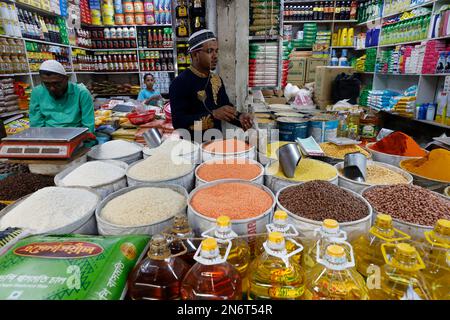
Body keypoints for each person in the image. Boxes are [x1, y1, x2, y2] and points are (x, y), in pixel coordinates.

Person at [169, 29, 253, 137]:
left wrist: (239, 117)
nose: (215, 55)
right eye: (209, 51)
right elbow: (179, 123)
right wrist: (213, 115)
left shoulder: (216, 80)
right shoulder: (179, 83)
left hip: (215, 145)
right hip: (192, 146)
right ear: (195, 55)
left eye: (216, 51)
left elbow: (225, 108)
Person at [29, 60, 95, 133]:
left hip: (78, 137)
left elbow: (88, 125)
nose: (52, 88)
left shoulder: (81, 93)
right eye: (47, 84)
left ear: (66, 79)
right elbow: (36, 124)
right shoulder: (37, 92)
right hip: (50, 138)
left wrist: (82, 142)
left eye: (57, 83)